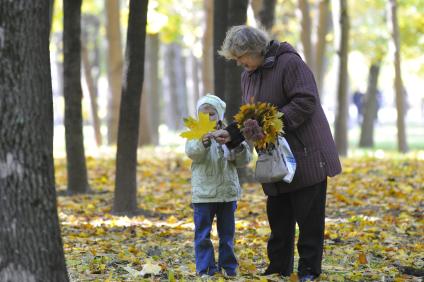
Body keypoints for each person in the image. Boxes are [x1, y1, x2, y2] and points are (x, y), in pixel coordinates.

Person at [213, 25, 342, 281]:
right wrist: (233, 133)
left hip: (306, 153)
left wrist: (272, 123)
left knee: (309, 220)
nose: (240, 63)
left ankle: (308, 271)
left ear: (254, 49)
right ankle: (278, 269)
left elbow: (306, 100)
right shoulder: (248, 75)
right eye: (236, 59)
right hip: (275, 160)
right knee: (279, 218)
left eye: (241, 57)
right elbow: (251, 115)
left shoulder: (289, 63)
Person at [185, 94, 252, 277]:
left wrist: (234, 144)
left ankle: (229, 267)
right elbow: (192, 153)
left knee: (227, 235)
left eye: (212, 114)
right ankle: (206, 268)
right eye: (203, 115)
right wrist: (203, 142)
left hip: (227, 194)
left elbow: (244, 159)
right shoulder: (196, 133)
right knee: (202, 235)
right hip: (203, 195)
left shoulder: (230, 133)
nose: (208, 118)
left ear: (220, 115)